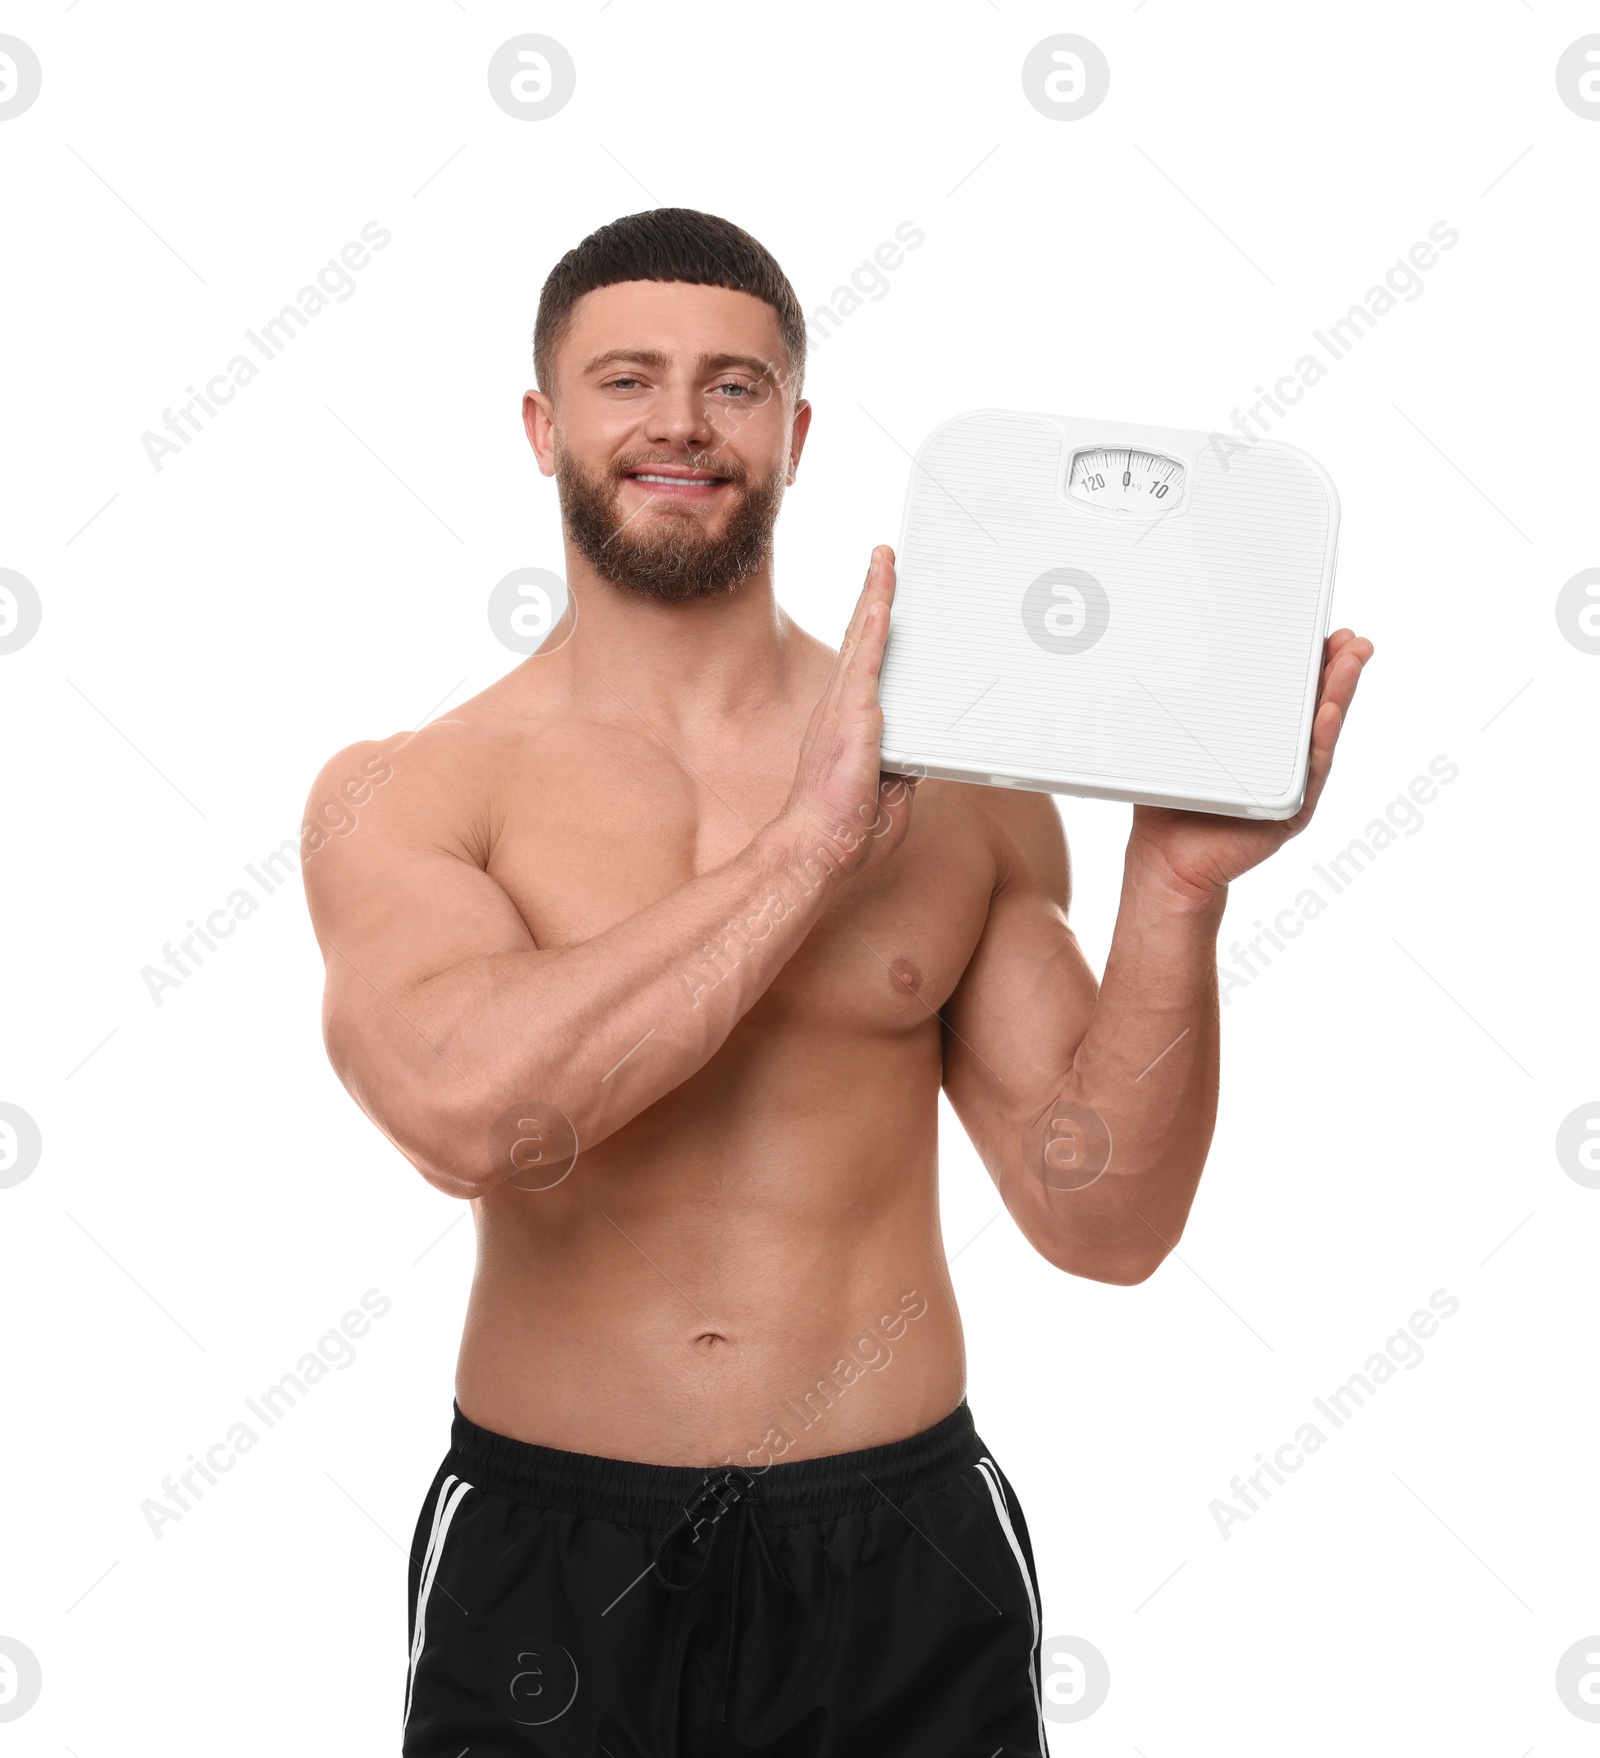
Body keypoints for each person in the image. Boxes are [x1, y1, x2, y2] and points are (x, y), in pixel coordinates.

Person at [301, 207, 1372, 1755]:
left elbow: (1107, 1219)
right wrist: (804, 856)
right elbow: (472, 1112)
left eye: (733, 384)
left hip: (899, 1547)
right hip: (555, 1552)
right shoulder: (412, 790)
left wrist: (1172, 892)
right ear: (543, 427)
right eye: (625, 380)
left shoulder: (971, 785)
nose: (680, 419)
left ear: (795, 433)